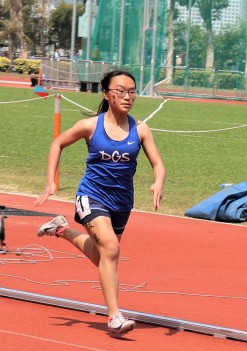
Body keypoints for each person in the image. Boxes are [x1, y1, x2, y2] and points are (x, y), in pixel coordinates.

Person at [33, 69, 165, 336]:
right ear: (106, 94)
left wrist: (158, 182)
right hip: (91, 196)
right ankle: (114, 316)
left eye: (132, 91)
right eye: (120, 91)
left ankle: (61, 229)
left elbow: (158, 163)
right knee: (111, 250)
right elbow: (57, 143)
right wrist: (50, 182)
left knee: (102, 255)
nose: (127, 96)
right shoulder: (91, 126)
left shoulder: (140, 129)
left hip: (122, 202)